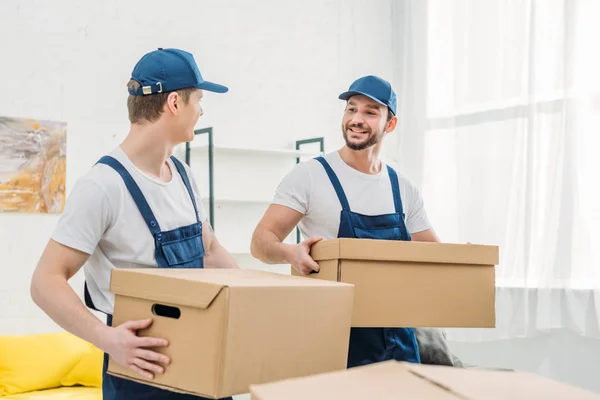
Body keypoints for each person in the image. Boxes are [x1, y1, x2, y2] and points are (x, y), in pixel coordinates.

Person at [30, 48, 238, 400]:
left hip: (203, 356)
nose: (201, 110)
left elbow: (210, 249)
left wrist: (252, 301)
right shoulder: (102, 185)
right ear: (174, 102)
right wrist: (107, 340)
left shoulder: (183, 174)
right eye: (198, 100)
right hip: (141, 370)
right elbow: (45, 282)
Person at [250, 75, 440, 368]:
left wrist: (463, 260)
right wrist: (291, 253)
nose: (356, 119)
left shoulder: (402, 187)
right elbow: (261, 242)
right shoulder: (311, 176)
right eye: (351, 109)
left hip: (398, 341)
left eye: (370, 112)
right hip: (331, 338)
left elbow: (434, 256)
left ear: (390, 124)